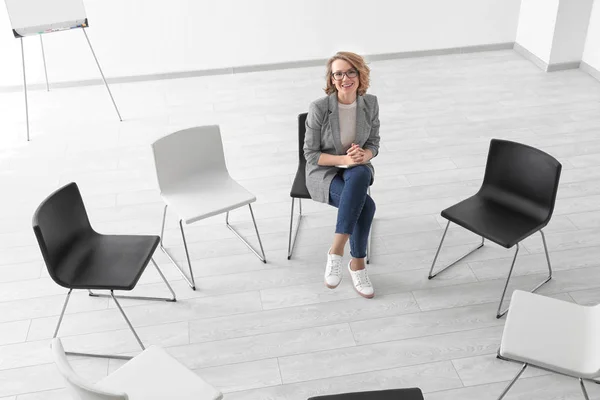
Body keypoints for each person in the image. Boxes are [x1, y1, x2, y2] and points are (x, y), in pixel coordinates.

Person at [303, 51, 380, 298]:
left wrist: (363, 155)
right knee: (366, 207)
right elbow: (311, 154)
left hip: (356, 169)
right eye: (338, 73)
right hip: (325, 170)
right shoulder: (319, 107)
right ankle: (356, 263)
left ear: (360, 74)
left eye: (350, 72)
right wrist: (344, 159)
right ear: (332, 78)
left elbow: (374, 143)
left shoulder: (370, 104)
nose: (344, 78)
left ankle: (336, 251)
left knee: (358, 176)